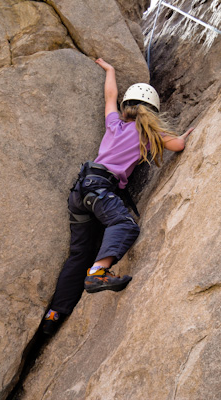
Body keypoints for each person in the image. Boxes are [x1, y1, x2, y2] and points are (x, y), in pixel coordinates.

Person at [42, 58, 194, 335]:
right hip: (101, 191)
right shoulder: (148, 132)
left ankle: (54, 314)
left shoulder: (114, 124)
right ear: (152, 111)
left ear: (127, 107)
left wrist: (109, 70)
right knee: (123, 224)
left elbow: (109, 95)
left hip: (82, 190)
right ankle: (98, 272)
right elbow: (179, 145)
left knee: (79, 253)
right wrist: (181, 134)